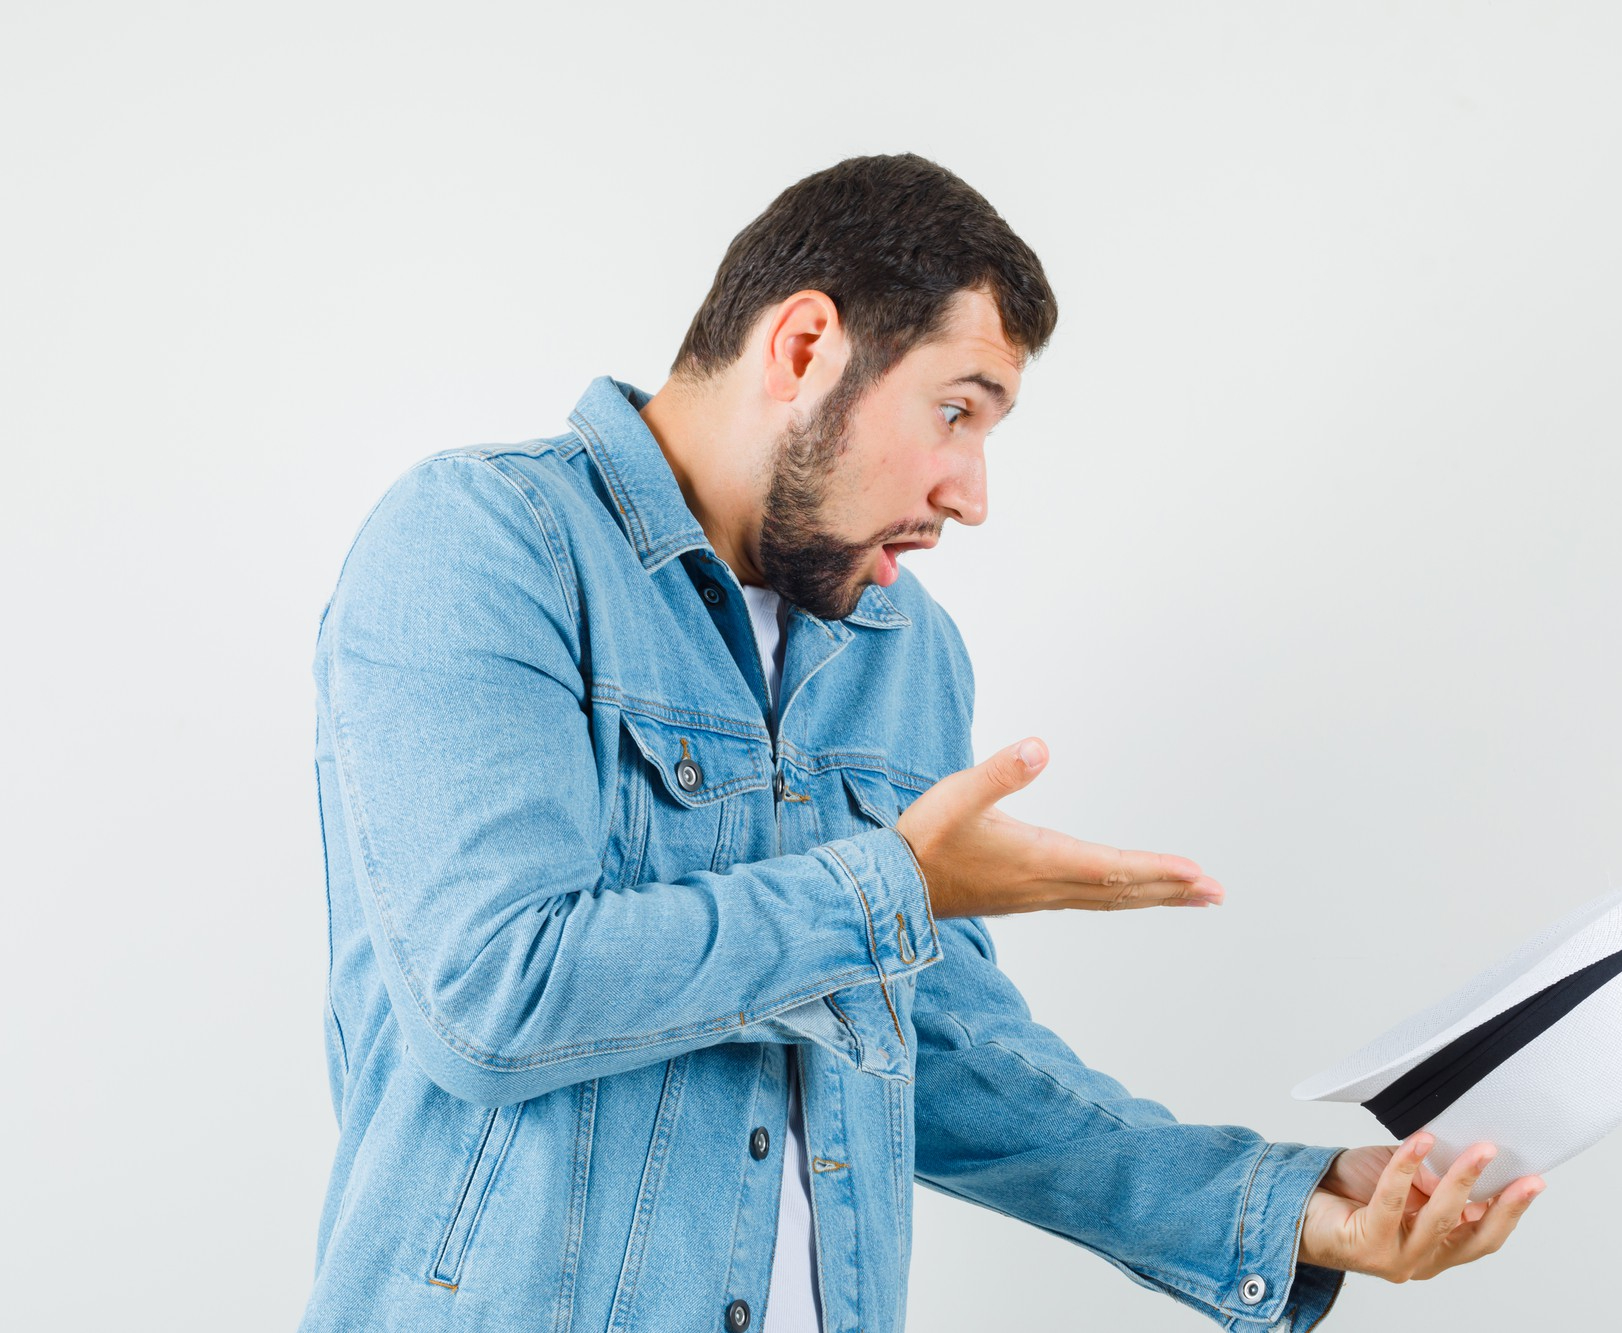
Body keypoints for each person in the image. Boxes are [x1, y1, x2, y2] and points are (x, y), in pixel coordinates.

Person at [301, 152, 1544, 1333]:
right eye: (955, 410)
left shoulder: (904, 645)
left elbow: (942, 1055)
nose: (972, 491)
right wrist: (890, 887)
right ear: (803, 347)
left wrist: (1288, 1205)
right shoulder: (483, 542)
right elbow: (493, 996)